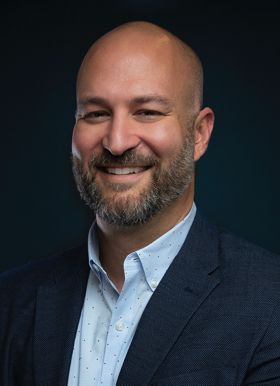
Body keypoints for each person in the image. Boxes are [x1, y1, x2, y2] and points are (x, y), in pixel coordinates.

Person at [1, 21, 280, 386]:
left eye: (147, 112)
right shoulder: (11, 300)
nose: (116, 142)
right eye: (96, 113)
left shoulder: (269, 301)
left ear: (199, 134)